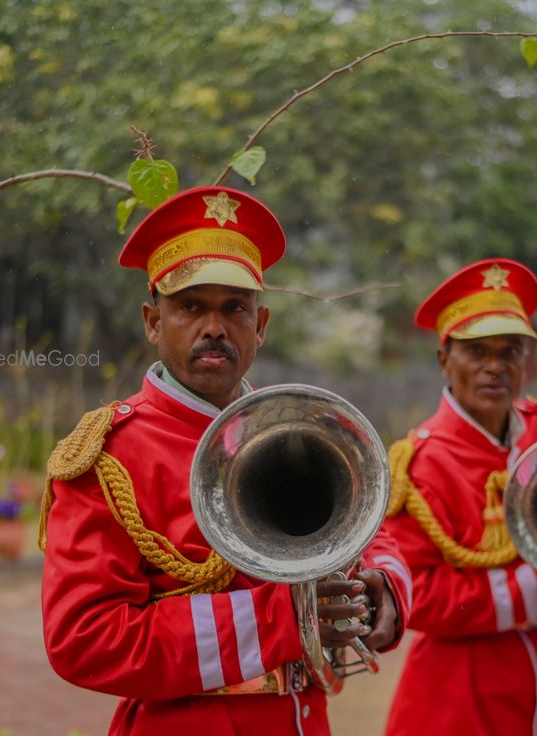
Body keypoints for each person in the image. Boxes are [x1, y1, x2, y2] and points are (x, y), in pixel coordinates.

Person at [38, 186, 412, 736]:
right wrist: (285, 620)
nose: (214, 327)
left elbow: (367, 526)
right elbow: (84, 639)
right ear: (151, 321)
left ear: (260, 327)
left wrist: (382, 587)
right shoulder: (108, 453)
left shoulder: (298, 429)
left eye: (235, 307)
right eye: (190, 307)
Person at [383, 258, 537, 736]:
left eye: (510, 351)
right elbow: (420, 596)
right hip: (455, 698)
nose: (495, 367)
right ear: (444, 358)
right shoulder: (418, 463)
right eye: (477, 351)